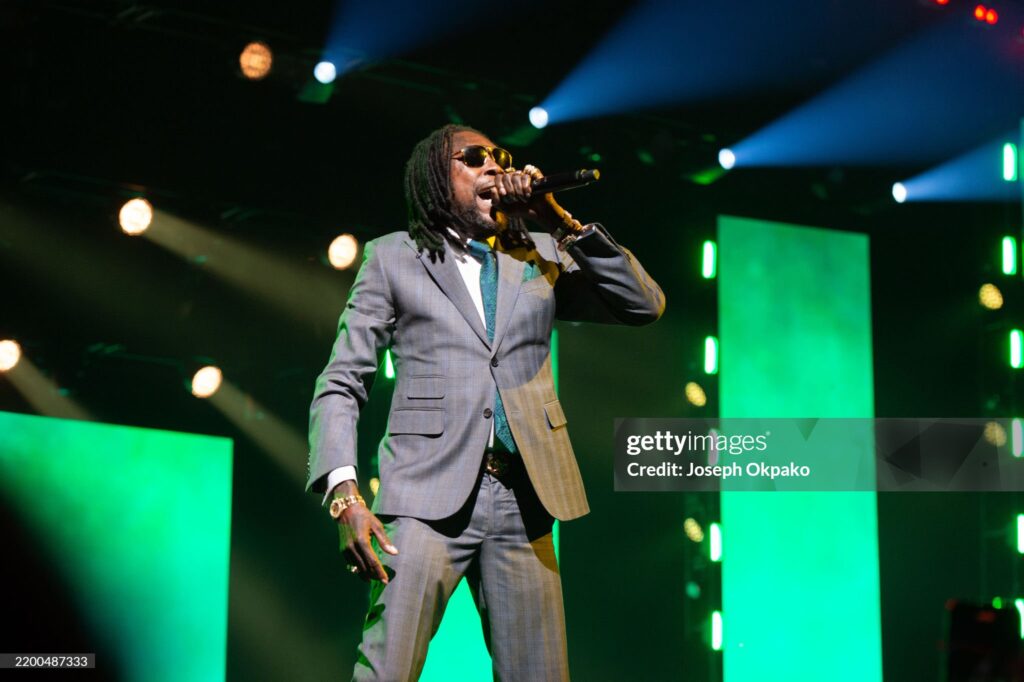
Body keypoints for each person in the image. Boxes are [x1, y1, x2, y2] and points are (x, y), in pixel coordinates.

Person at [306, 124, 665, 681]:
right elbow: (343, 378)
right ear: (435, 176)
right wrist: (343, 495)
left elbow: (643, 304)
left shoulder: (537, 255)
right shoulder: (393, 256)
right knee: (386, 669)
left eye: (500, 157)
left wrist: (555, 219)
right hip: (425, 496)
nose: (495, 166)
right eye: (473, 158)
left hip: (526, 497)